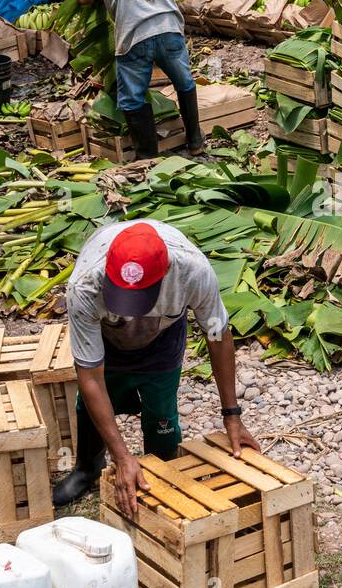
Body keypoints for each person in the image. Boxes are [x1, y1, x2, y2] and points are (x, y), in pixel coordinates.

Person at [52, 219, 261, 517]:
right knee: (91, 405)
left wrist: (232, 415)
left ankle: (163, 470)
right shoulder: (85, 285)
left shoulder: (193, 272)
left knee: (161, 410)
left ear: (165, 273)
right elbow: (91, 378)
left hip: (163, 335)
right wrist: (122, 457)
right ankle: (86, 469)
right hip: (107, 337)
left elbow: (217, 337)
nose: (130, 310)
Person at [75, 0, 204, 158]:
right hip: (169, 26)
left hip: (133, 35)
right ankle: (196, 142)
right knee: (185, 82)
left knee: (132, 99)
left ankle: (148, 158)